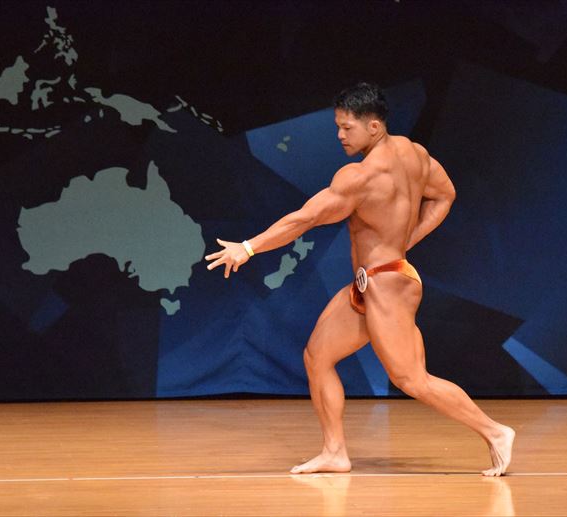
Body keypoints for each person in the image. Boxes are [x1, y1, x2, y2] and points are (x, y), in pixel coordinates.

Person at [205, 83, 515, 476]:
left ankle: (495, 431)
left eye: (347, 127)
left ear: (373, 126)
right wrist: (405, 241)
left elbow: (304, 219)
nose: (339, 135)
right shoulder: (415, 154)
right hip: (374, 281)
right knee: (317, 356)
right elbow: (444, 195)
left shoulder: (360, 177)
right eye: (338, 126)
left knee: (411, 379)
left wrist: (248, 248)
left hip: (388, 285)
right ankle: (335, 452)